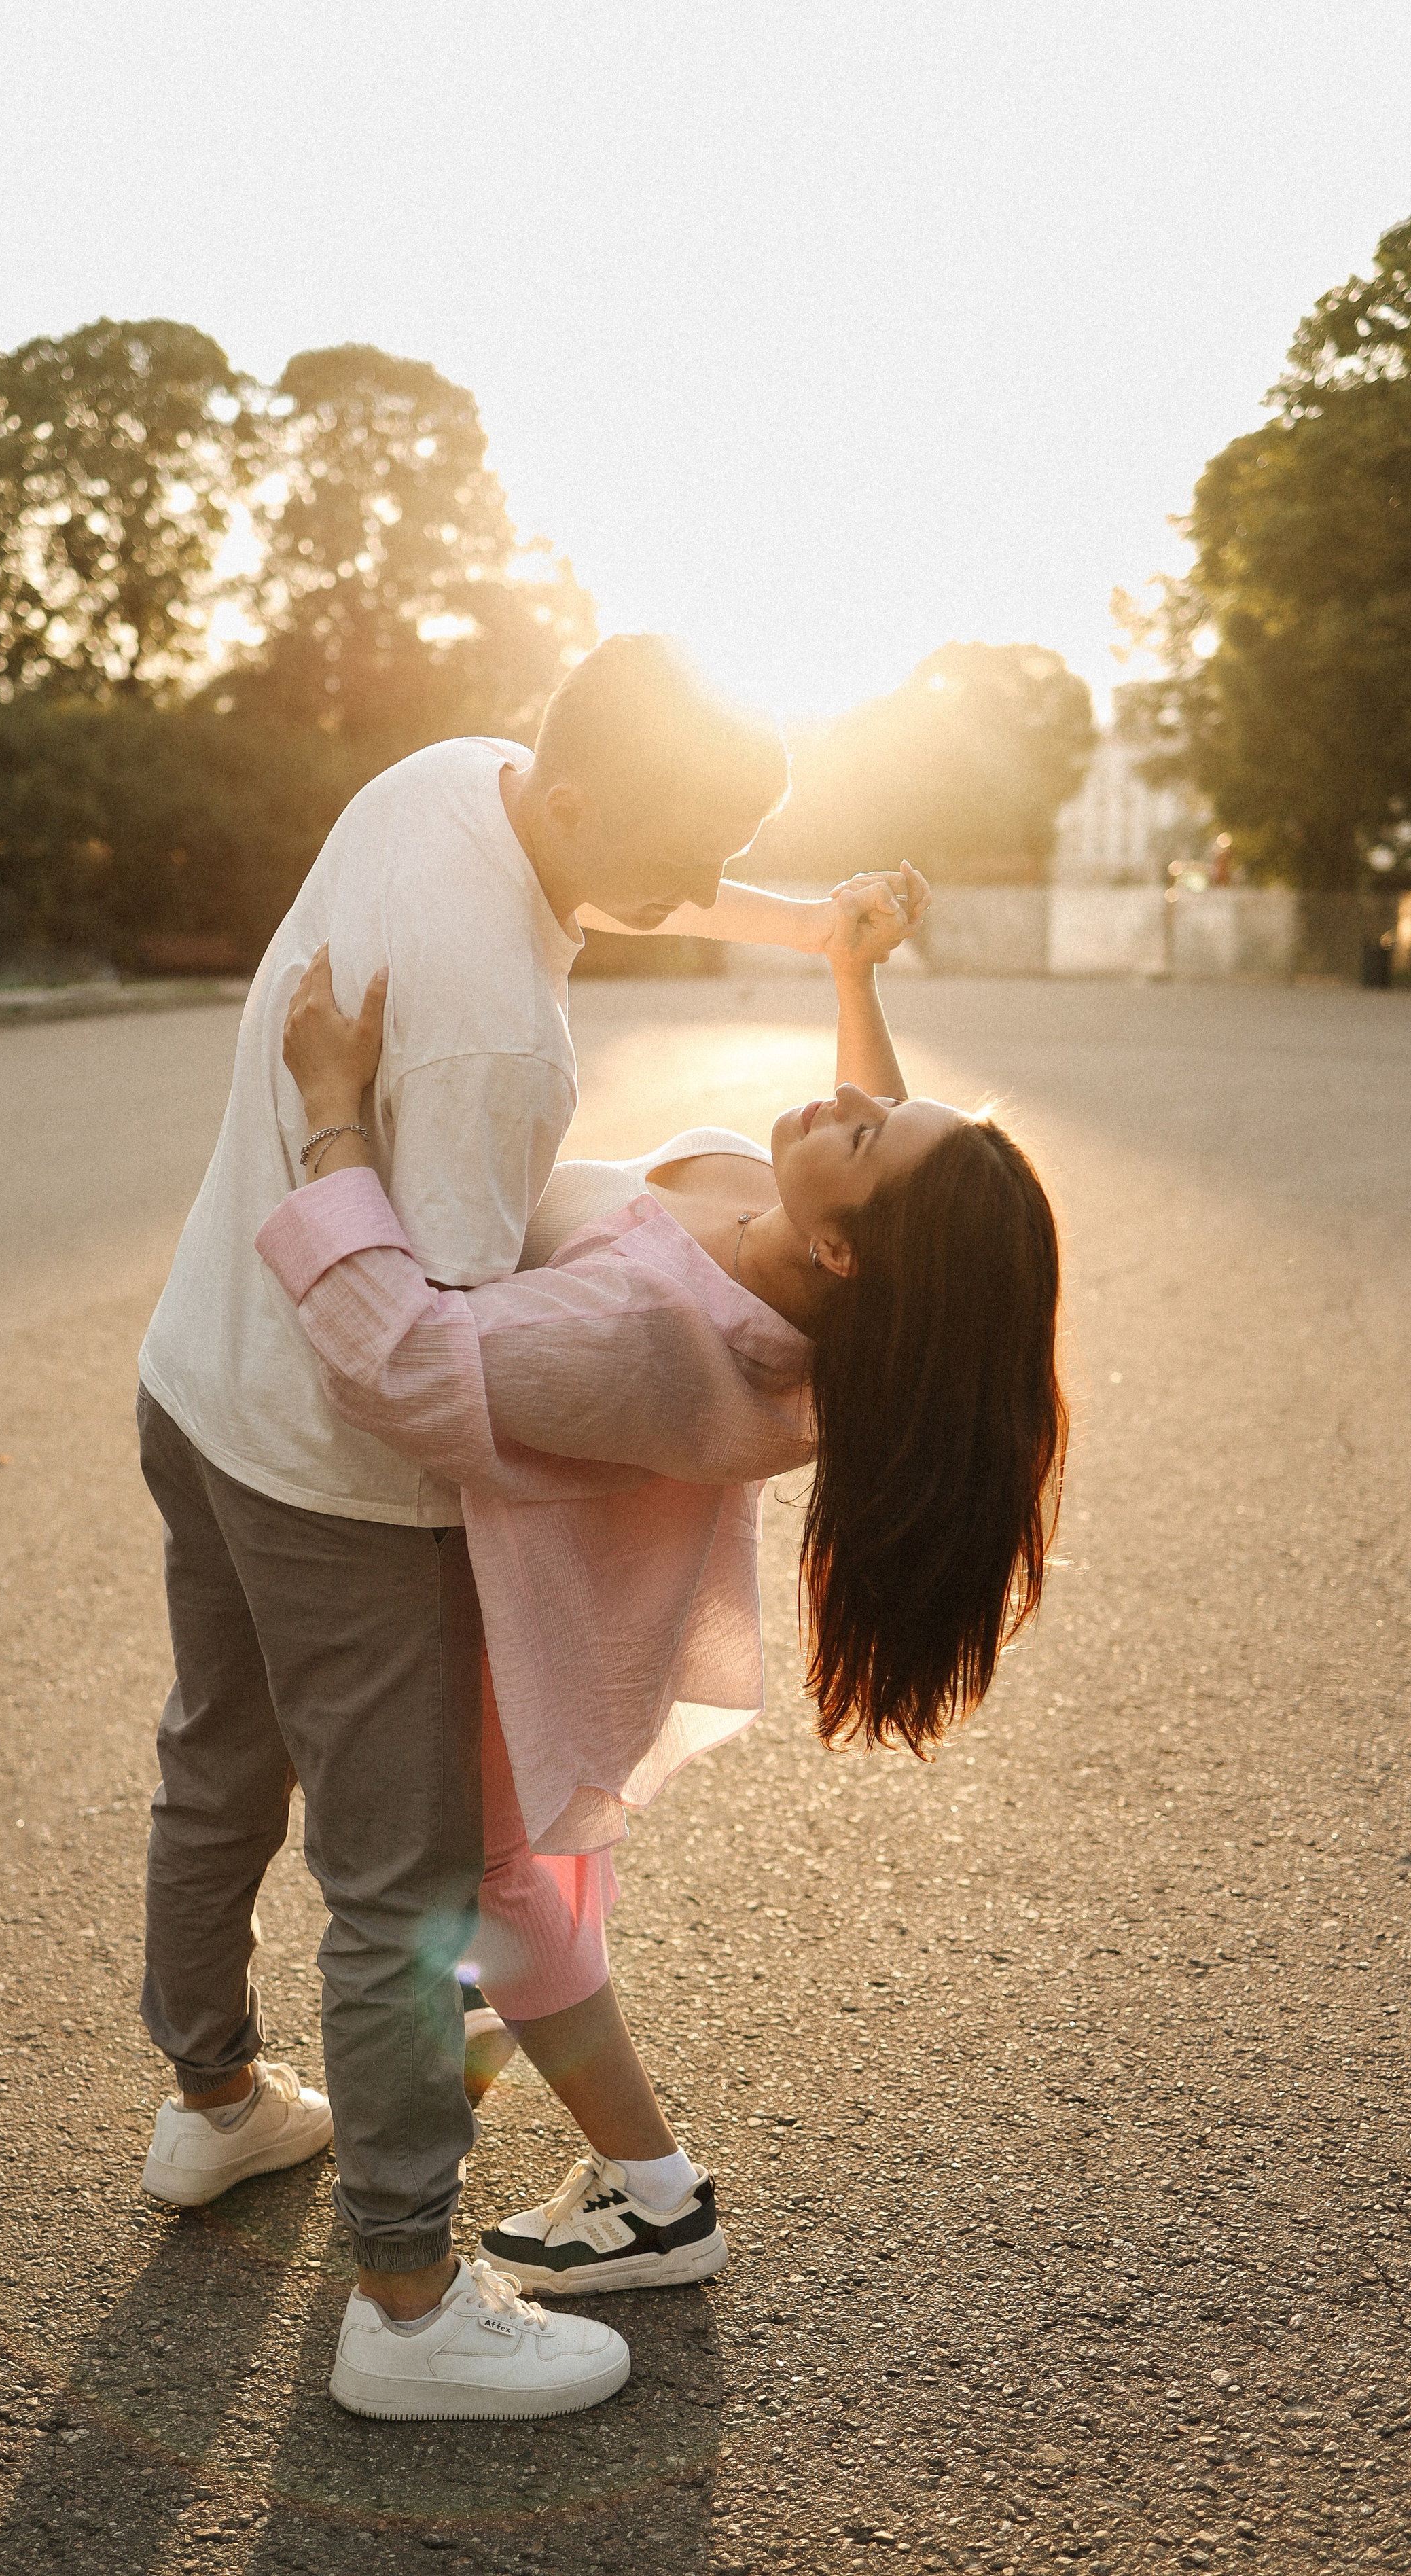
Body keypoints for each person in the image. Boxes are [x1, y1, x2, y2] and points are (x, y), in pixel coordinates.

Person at [132, 634, 916, 2421]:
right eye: (667, 856)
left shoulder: (454, 778)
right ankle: (407, 2310)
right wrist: (342, 1116)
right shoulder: (494, 1043)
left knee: (217, 1768)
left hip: (198, 1370)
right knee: (406, 1899)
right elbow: (413, 1365)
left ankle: (212, 2110)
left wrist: (812, 935)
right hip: (334, 1475)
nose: (678, 897)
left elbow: (636, 866)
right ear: (571, 802)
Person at [255, 876, 1067, 2304]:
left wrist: (332, 1112)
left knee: (494, 1876)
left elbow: (393, 1360)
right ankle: (492, 2019)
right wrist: (847, 972)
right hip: (577, 1598)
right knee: (522, 1879)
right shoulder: (829, 1264)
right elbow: (894, 1175)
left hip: (523, 1623)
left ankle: (656, 2197)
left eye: (860, 1132)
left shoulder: (655, 1333)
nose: (836, 1104)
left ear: (839, 1248)